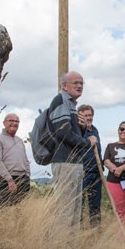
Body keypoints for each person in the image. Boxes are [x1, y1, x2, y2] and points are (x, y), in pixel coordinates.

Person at [48, 71, 97, 229]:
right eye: (75, 82)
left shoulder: (71, 105)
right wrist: (86, 142)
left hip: (74, 162)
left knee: (75, 212)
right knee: (66, 210)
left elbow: (69, 133)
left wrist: (82, 128)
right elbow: (62, 132)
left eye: (82, 83)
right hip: (65, 162)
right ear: (64, 85)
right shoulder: (61, 100)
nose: (79, 86)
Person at [0, 113, 32, 207]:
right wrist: (9, 180)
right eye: (11, 121)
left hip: (23, 178)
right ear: (4, 123)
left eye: (16, 121)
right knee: (5, 209)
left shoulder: (19, 141)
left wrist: (28, 175)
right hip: (7, 179)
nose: (14, 123)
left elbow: (25, 160)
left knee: (20, 209)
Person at [78, 104, 102, 228]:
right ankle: (79, 230)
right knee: (79, 204)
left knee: (95, 204)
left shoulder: (95, 130)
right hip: (84, 172)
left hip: (96, 172)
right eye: (86, 115)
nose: (89, 117)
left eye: (90, 115)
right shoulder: (78, 130)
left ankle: (96, 231)